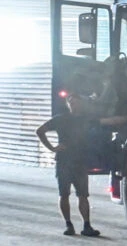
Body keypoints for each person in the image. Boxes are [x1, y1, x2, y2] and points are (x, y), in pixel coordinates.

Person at [36, 94, 104, 237]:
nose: (74, 105)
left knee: (83, 196)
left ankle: (87, 226)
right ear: (68, 104)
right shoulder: (60, 119)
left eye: (76, 102)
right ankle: (69, 225)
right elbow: (40, 130)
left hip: (80, 162)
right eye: (71, 102)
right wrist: (52, 148)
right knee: (64, 194)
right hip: (64, 162)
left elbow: (105, 121)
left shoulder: (86, 119)